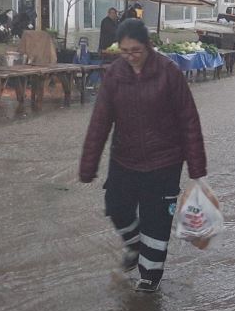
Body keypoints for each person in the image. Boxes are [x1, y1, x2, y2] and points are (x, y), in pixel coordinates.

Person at [79, 19, 207, 293]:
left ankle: (149, 279)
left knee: (156, 222)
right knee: (116, 205)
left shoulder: (168, 72)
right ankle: (134, 246)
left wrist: (197, 171)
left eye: (135, 50)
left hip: (164, 162)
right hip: (125, 159)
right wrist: (88, 166)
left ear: (147, 46)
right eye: (124, 51)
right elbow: (100, 122)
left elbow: (189, 121)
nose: (130, 57)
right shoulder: (115, 75)